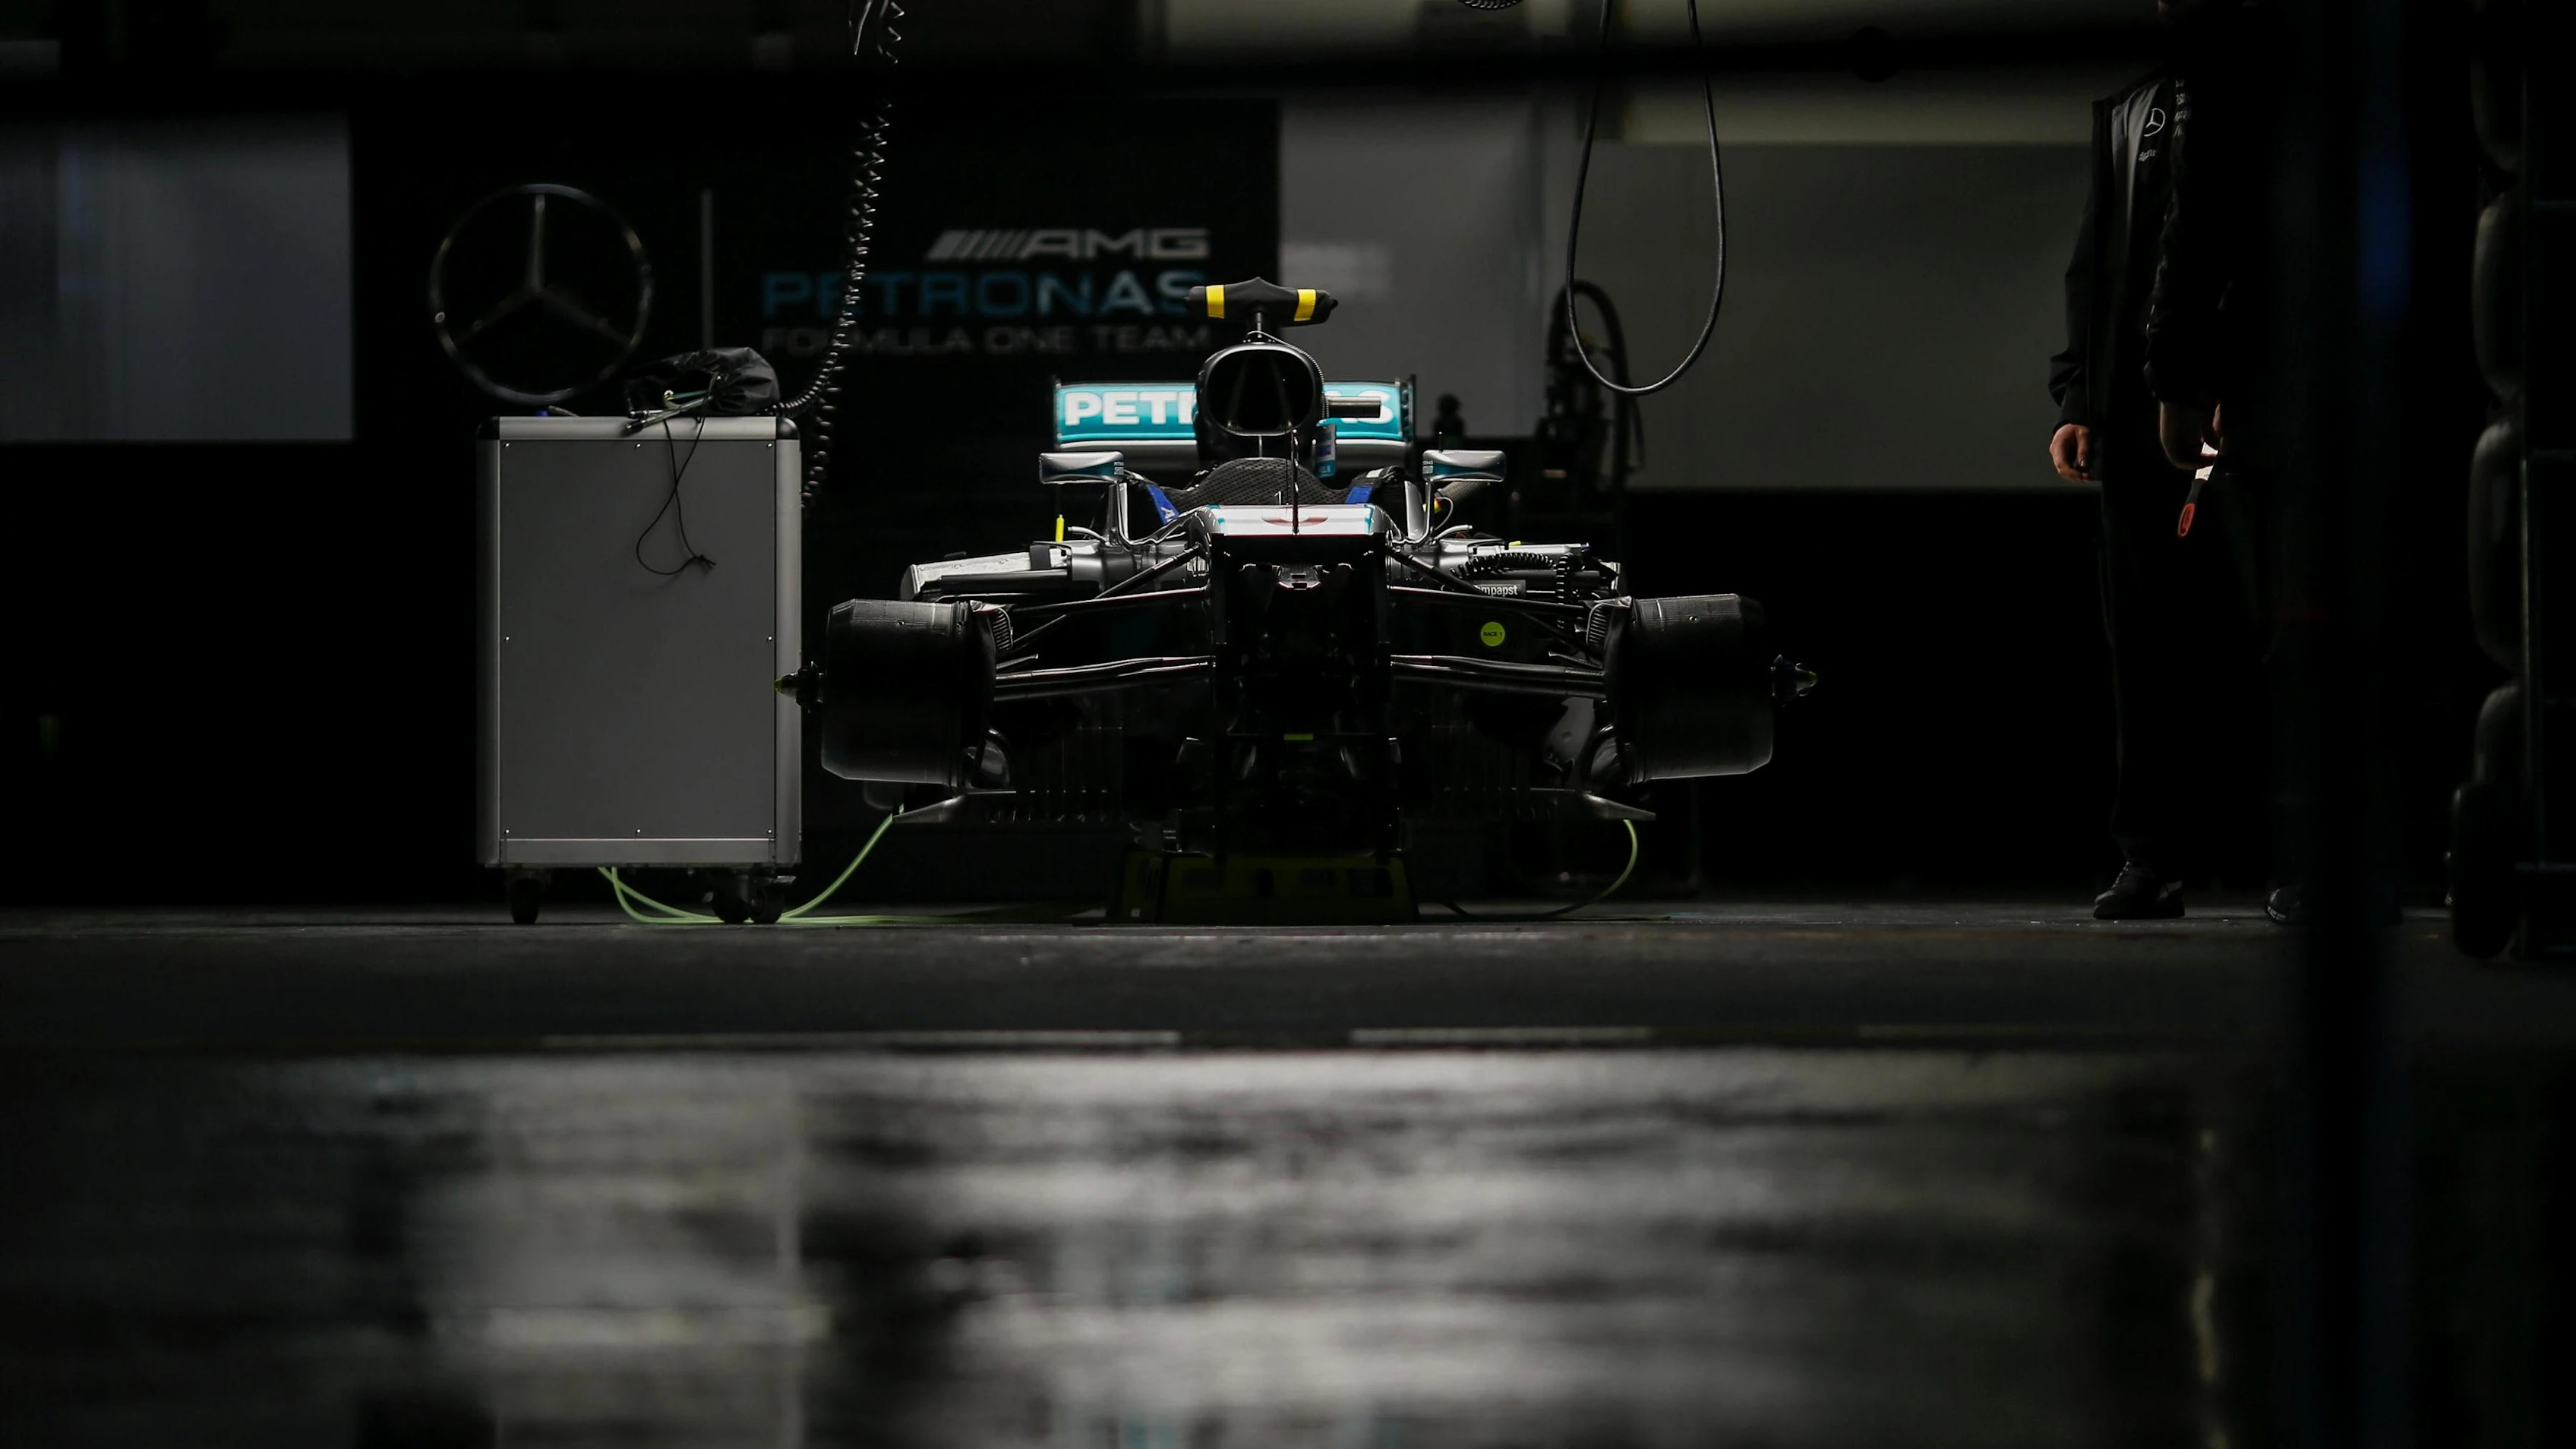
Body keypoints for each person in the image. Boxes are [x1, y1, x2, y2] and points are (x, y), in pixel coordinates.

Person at [2050, 0, 2259, 920]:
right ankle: (2149, 856)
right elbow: (2098, 266)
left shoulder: (2268, 94)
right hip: (2137, 417)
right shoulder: (2130, 107)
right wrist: (2080, 399)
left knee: (2270, 629)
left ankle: (2297, 855)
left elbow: (2261, 246)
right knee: (2139, 637)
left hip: (2243, 404)